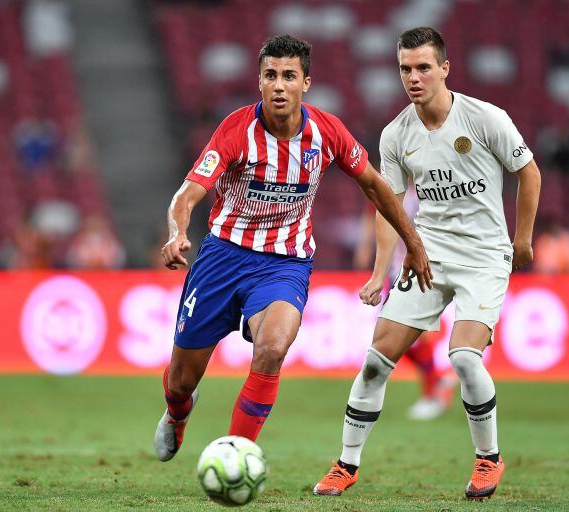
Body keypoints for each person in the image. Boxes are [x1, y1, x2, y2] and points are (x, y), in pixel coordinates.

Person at [154, 35, 432, 463]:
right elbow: (188, 193)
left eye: (289, 76)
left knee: (272, 348)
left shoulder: (326, 131)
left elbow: (376, 186)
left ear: (306, 83)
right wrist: (177, 231)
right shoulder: (236, 130)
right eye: (270, 76)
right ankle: (178, 412)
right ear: (259, 83)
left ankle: (237, 453)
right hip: (221, 258)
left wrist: (413, 244)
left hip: (284, 263)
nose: (279, 85)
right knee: (180, 381)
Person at [313, 27, 541, 500]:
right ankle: (346, 464)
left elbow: (528, 172)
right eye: (404, 69)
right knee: (376, 362)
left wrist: (521, 239)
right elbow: (388, 205)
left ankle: (488, 460)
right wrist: (380, 271)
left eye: (422, 67)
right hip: (428, 254)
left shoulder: (484, 118)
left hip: (483, 254)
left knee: (462, 356)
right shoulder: (397, 134)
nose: (413, 77)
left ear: (444, 69)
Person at [353, 189, 455, 421]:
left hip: (421, 269)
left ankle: (432, 393)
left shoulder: (430, 185)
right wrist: (365, 246)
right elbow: (374, 212)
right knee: (394, 338)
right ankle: (437, 381)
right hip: (396, 272)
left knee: (413, 334)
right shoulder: (393, 187)